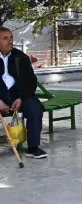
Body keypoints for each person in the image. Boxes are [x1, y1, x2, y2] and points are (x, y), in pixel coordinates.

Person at [0, 27, 46, 159]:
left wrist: (21, 97)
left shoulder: (20, 57)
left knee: (34, 108)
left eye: (11, 38)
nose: (10, 41)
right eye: (5, 38)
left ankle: (33, 148)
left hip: (18, 97)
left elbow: (30, 81)